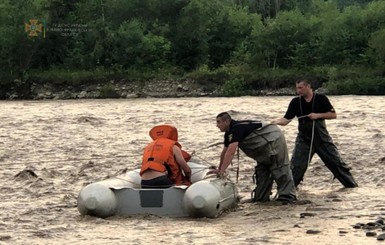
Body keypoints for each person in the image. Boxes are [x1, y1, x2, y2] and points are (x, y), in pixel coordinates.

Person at [271, 79, 358, 188]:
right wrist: (276, 122)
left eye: (300, 88)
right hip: (304, 140)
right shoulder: (295, 102)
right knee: (296, 167)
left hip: (322, 139)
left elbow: (333, 115)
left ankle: (352, 187)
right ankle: (288, 192)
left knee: (337, 164)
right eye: (297, 88)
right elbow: (286, 120)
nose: (298, 91)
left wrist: (318, 115)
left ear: (308, 86)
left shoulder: (321, 99)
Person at [216, 112, 297, 204]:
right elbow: (225, 152)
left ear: (227, 121)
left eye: (219, 122)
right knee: (262, 172)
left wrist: (222, 171)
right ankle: (261, 198)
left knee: (280, 169)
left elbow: (231, 151)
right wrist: (219, 170)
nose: (217, 125)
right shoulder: (228, 134)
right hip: (263, 148)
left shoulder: (237, 128)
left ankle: (288, 198)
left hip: (274, 140)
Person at [140, 124, 192, 188]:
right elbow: (187, 170)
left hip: (144, 182)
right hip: (161, 180)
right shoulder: (173, 146)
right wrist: (188, 178)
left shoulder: (148, 147)